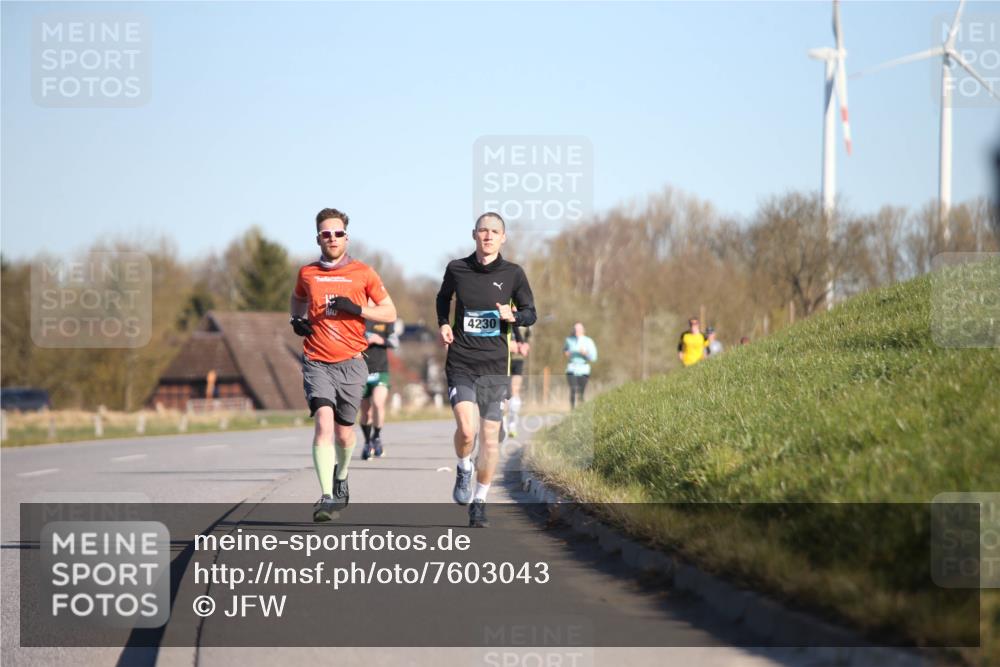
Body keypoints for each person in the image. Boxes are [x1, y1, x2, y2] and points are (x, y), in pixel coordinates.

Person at [290, 208, 397, 522]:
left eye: (338, 233)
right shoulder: (307, 273)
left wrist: (357, 308)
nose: (332, 238)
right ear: (318, 238)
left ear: (346, 238)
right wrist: (296, 319)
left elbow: (390, 312)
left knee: (344, 435)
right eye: (326, 233)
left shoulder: (363, 272)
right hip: (316, 360)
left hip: (352, 362)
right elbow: (297, 298)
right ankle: (326, 497)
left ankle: (342, 475)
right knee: (323, 423)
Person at [436, 212, 536, 528]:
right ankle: (464, 465)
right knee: (467, 431)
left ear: (503, 237)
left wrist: (514, 317)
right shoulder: (457, 268)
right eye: (483, 231)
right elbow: (443, 298)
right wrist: (443, 324)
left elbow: (531, 313)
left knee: (490, 440)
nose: (488, 236)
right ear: (474, 235)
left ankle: (479, 501)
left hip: (495, 366)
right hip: (462, 362)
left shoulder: (513, 274)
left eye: (494, 231)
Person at [359, 317, 402, 460]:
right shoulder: (358, 318)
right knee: (366, 412)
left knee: (378, 403)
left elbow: (395, 342)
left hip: (380, 370)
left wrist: (380, 340)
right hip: (361, 370)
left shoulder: (385, 319)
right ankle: (367, 442)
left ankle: (376, 437)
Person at [505, 324, 530, 439]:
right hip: (504, 359)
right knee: (503, 393)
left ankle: (512, 424)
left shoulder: (525, 323)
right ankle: (502, 423)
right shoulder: (503, 317)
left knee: (515, 391)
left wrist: (524, 347)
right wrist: (508, 346)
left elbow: (527, 341)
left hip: (518, 360)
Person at [564, 323, 597, 409]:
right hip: (572, 368)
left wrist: (585, 353)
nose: (577, 331)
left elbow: (594, 358)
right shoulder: (569, 340)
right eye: (575, 329)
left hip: (584, 369)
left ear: (583, 330)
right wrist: (566, 353)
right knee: (573, 389)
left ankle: (581, 410)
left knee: (581, 392)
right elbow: (565, 349)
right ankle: (572, 411)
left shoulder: (589, 341)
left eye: (579, 329)